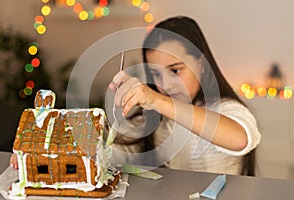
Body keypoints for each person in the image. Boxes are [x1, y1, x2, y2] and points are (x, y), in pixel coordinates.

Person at [108, 16, 261, 176]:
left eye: (175, 71)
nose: (166, 85)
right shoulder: (152, 120)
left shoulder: (227, 108)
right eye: (155, 74)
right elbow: (113, 151)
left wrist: (156, 100)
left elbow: (239, 140)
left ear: (201, 63)